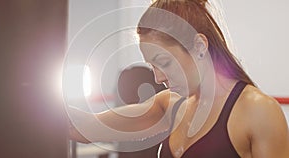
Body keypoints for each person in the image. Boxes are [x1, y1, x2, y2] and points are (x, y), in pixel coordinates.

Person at [69, 0, 289, 157]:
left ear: (200, 46)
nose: (158, 77)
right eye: (152, 66)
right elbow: (85, 128)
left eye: (164, 63)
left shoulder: (257, 111)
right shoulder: (170, 105)